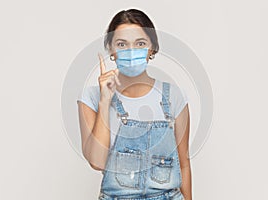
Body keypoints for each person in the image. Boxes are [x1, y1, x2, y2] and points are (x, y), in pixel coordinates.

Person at [77, 9, 192, 200]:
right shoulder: (91, 97)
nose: (131, 51)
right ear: (111, 50)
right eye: (122, 44)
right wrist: (105, 100)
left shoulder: (174, 96)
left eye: (140, 43)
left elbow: (184, 163)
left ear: (152, 49)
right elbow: (96, 162)